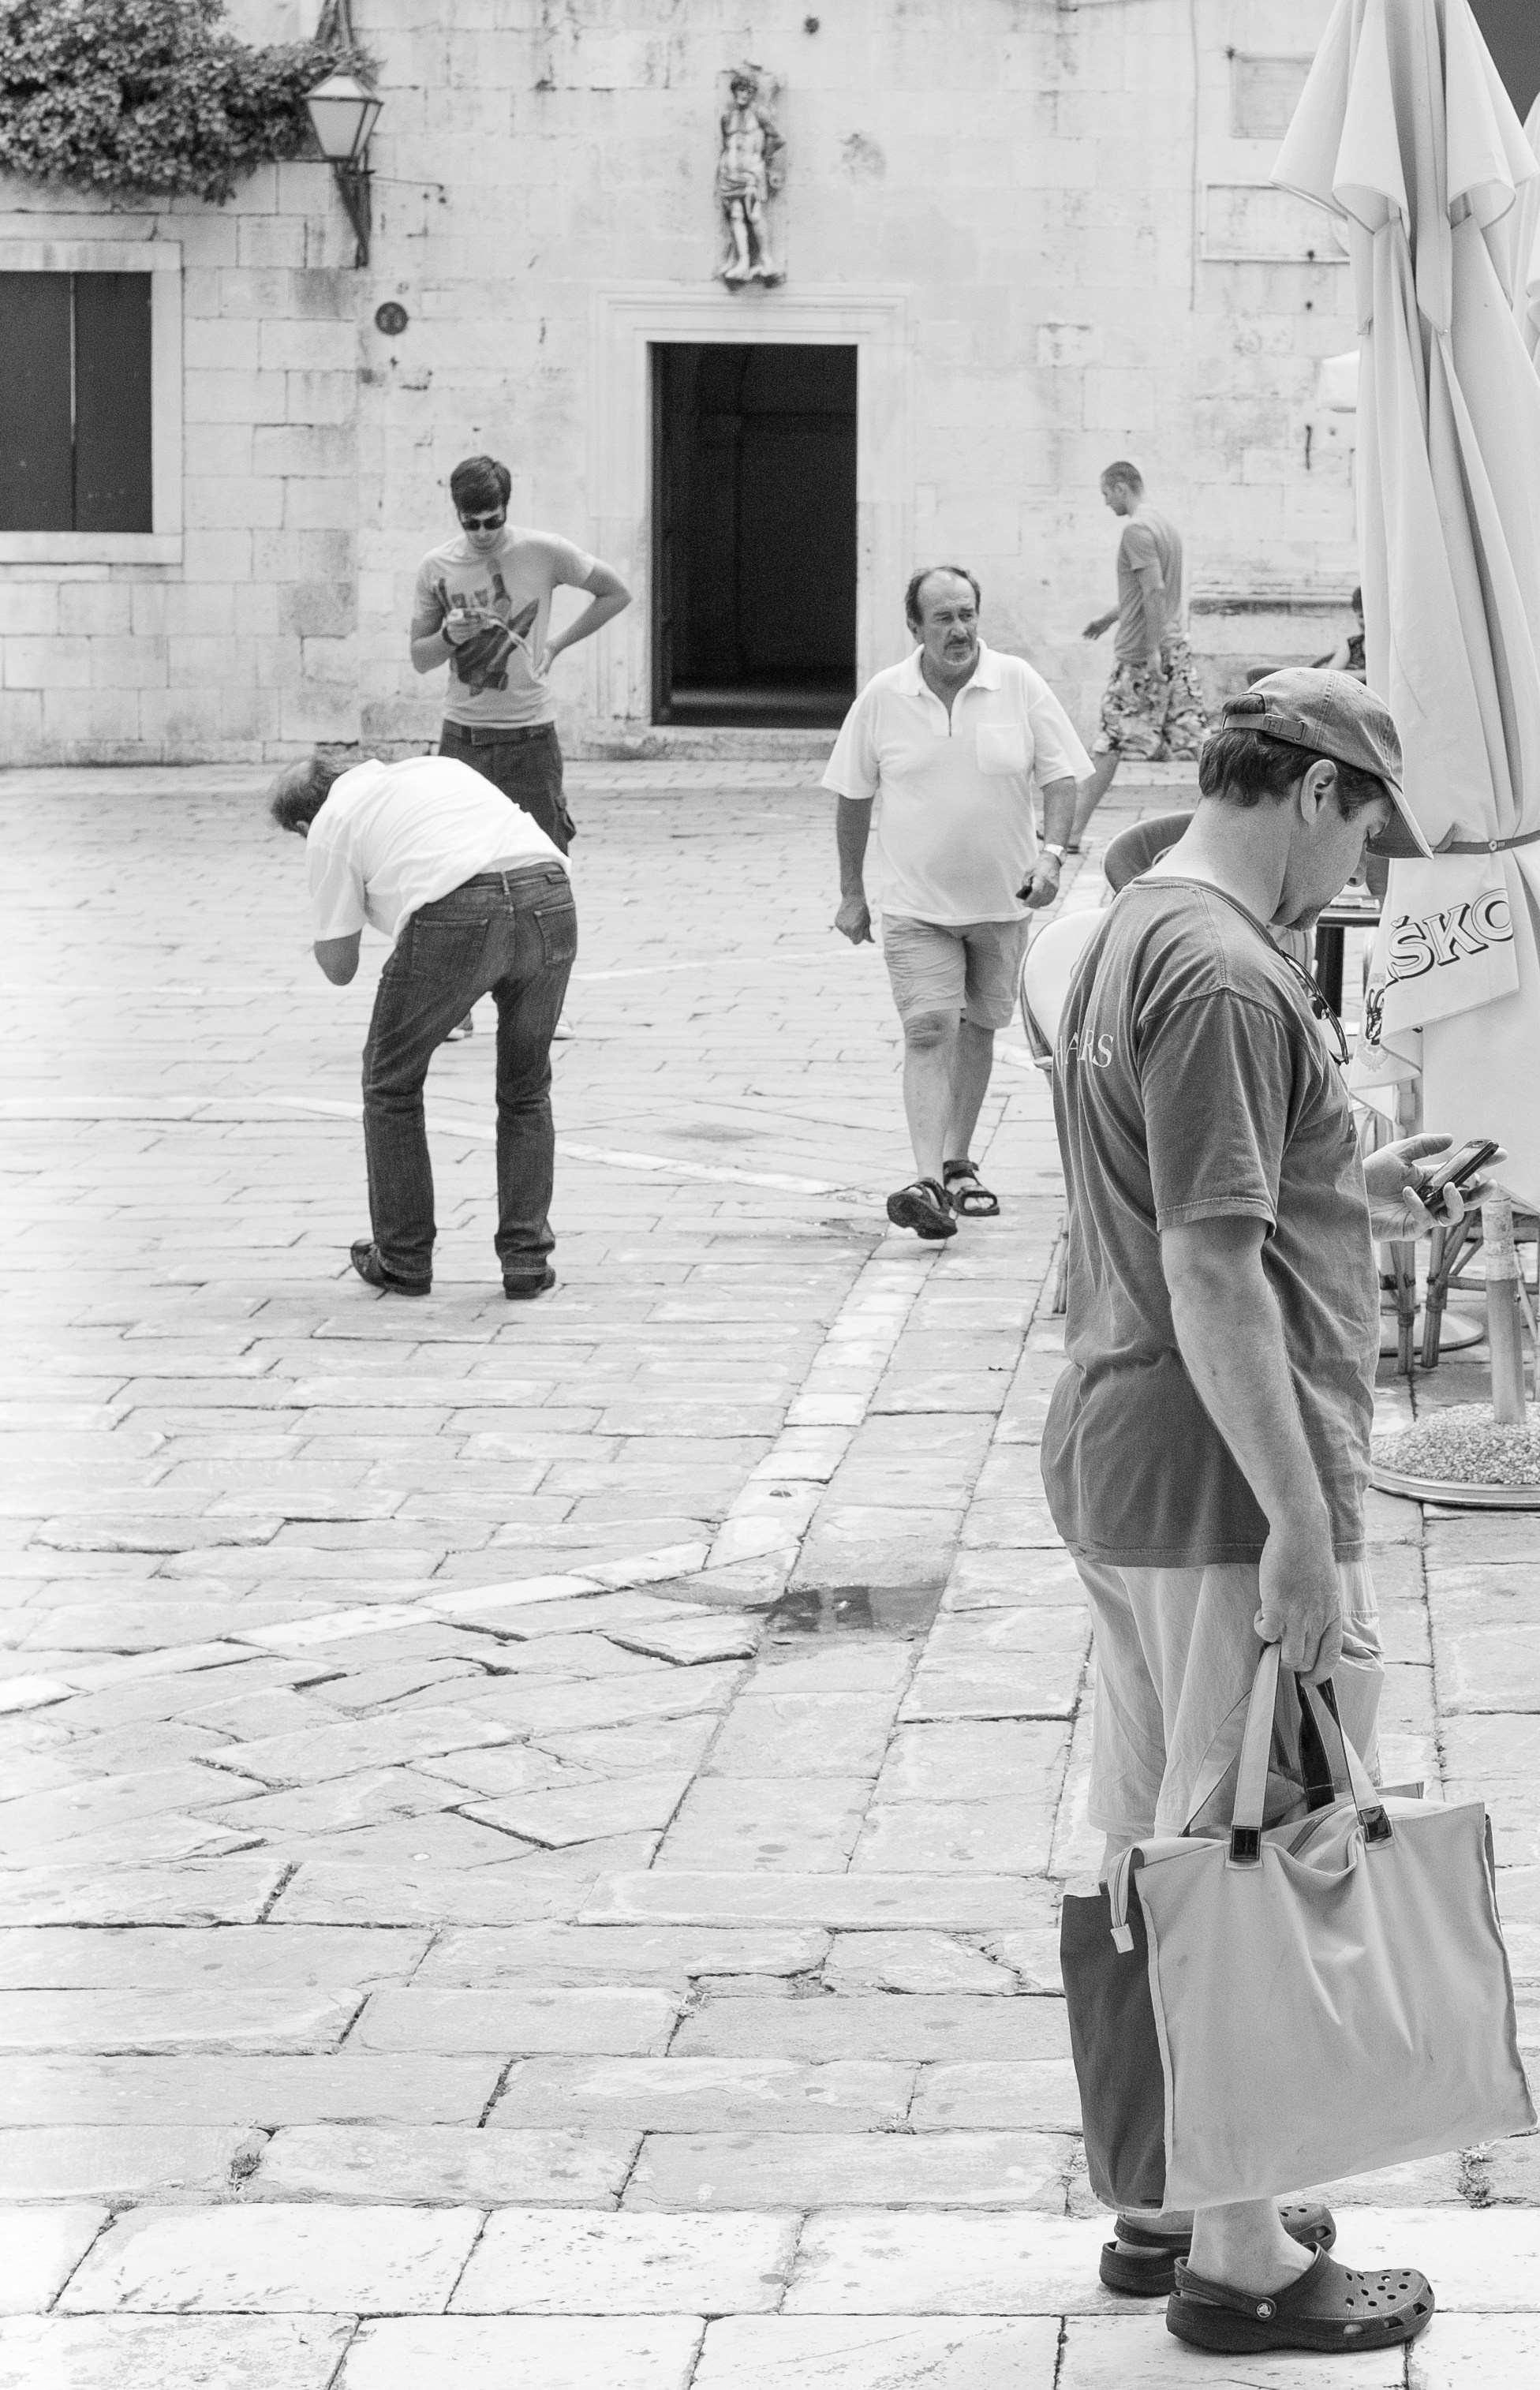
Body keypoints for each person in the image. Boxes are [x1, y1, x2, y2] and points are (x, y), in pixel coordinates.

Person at [1041, 671, 1474, 2357]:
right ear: (1307, 790)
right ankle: (1239, 2253)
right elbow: (1210, 1263)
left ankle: (1160, 2192)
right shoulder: (1228, 972)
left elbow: (1206, 1184)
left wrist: (1357, 1176)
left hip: (1124, 1444)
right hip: (1225, 1473)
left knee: (1151, 1836)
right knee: (1249, 1848)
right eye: (1362, 821)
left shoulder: (1137, 927)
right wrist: (1301, 1522)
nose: (1363, 866)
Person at [826, 565, 1090, 1239]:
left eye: (967, 613)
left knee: (978, 1029)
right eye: (942, 617)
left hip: (1003, 904)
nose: (960, 629)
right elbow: (853, 795)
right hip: (917, 907)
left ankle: (956, 1163)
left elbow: (1062, 774)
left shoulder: (1018, 683)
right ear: (915, 627)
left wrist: (1053, 855)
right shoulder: (884, 697)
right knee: (930, 1027)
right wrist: (852, 893)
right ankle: (925, 1179)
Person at [268, 749, 577, 1300]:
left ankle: (404, 1256)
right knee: (527, 1087)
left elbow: (339, 967)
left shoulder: (331, 824)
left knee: (390, 1084)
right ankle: (527, 1259)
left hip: (457, 913)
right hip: (550, 893)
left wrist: (333, 907)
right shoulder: (437, 769)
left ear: (299, 824)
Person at [410, 454, 628, 1038]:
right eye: (470, 522)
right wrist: (448, 636)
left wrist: (557, 643)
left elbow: (615, 592)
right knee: (453, 874)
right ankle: (454, 1007)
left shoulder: (544, 551)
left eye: (491, 520)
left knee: (543, 870)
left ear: (507, 509)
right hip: (466, 738)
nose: (481, 533)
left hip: (531, 737)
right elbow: (419, 657)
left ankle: (538, 1005)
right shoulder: (437, 567)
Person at [1073, 460, 1208, 851]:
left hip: (1143, 655)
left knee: (1110, 741)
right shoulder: (1164, 525)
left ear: (1120, 487)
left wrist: (1149, 652)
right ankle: (1236, 824)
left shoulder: (1136, 530)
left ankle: (1071, 833)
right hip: (1173, 648)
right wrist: (1108, 619)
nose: (1105, 503)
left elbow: (1153, 592)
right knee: (1195, 738)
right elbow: (1147, 593)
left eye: (1105, 493)